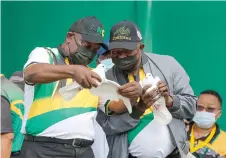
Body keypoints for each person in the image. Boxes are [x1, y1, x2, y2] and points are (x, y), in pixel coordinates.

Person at [96, 20, 197, 158]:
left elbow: (192, 106)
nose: (122, 56)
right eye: (116, 52)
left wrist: (168, 100)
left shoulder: (168, 64)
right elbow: (106, 126)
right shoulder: (106, 79)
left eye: (127, 51)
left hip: (175, 153)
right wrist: (138, 108)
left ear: (141, 47)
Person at [20, 16, 108, 158]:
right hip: (43, 149)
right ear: (69, 37)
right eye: (86, 45)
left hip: (83, 151)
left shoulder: (92, 75)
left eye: (95, 49)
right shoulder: (46, 55)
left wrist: (136, 98)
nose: (90, 52)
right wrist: (73, 71)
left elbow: (113, 106)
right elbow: (31, 73)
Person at [188, 90, 226, 158]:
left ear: (219, 114)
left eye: (210, 109)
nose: (203, 111)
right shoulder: (179, 131)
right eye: (199, 107)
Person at [1, 73, 24, 158]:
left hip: (8, 152)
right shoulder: (9, 87)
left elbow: (6, 137)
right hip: (21, 149)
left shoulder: (1, 91)